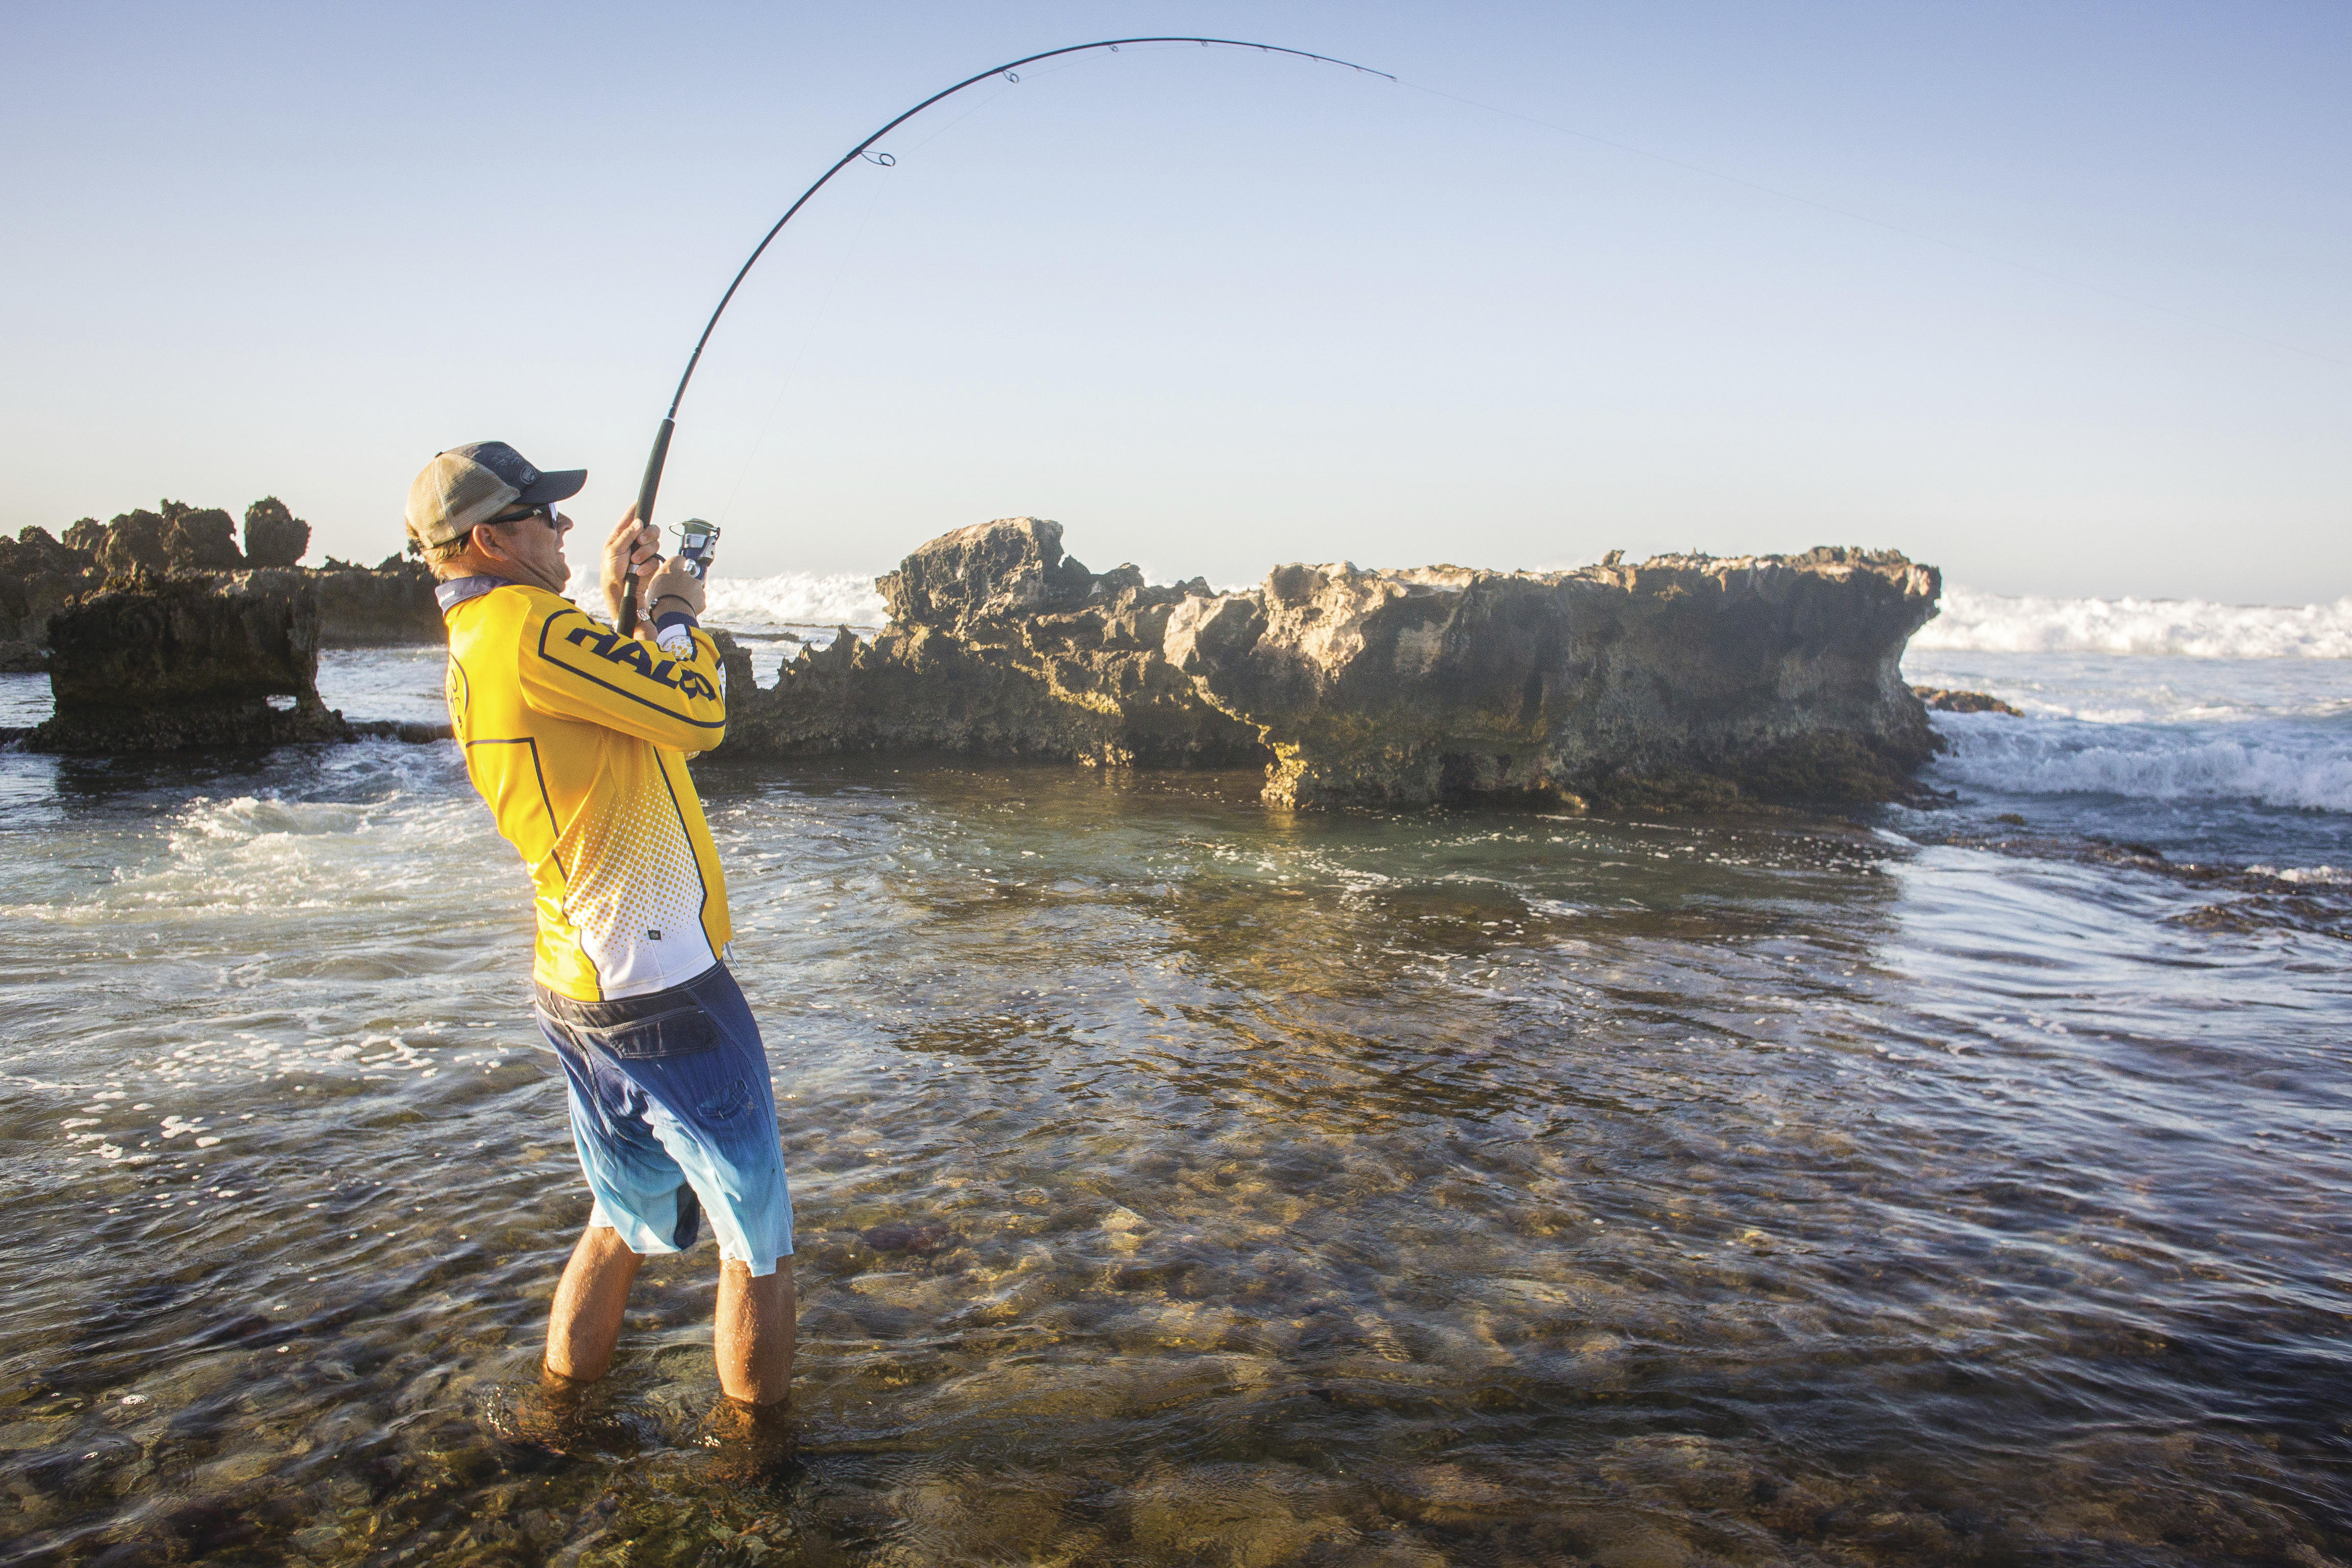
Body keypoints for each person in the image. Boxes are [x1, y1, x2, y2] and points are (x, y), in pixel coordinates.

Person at [405, 440, 794, 1414]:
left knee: (620, 1217)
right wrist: (672, 614)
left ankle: (558, 1417)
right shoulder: (532, 633)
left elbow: (598, 709)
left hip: (580, 982)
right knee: (757, 1241)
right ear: (490, 538)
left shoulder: (488, 635)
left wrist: (616, 603)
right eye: (545, 515)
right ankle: (760, 1470)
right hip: (662, 985)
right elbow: (694, 713)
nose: (566, 528)